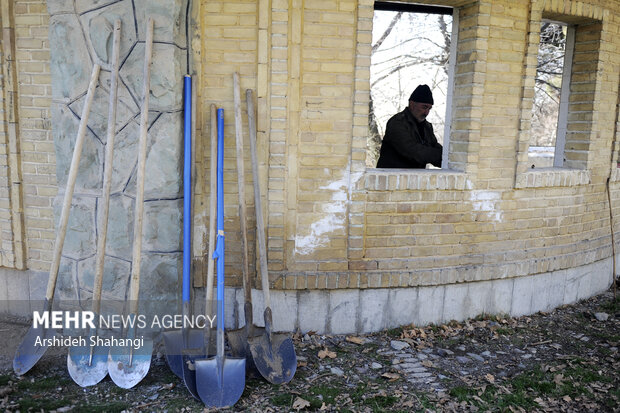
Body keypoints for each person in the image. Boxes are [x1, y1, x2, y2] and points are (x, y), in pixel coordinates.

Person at [376, 84, 443, 169]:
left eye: (429, 109)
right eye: (424, 107)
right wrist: (441, 155)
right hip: (390, 178)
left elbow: (434, 146)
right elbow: (412, 151)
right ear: (412, 104)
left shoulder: (427, 127)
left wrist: (451, 158)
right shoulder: (397, 122)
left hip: (414, 179)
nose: (426, 113)